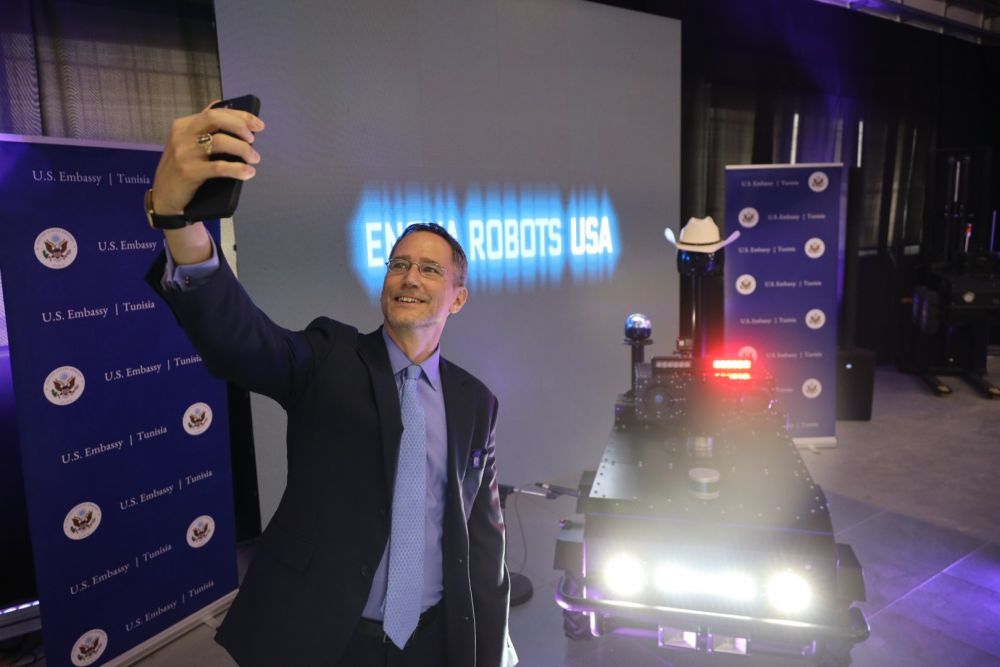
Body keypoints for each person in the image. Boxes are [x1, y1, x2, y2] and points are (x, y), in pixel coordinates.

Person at [144, 102, 517, 667]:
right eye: (398, 264)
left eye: (430, 269)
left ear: (458, 298)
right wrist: (180, 221)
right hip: (327, 641)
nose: (410, 277)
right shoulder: (329, 357)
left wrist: (487, 653)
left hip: (431, 642)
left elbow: (484, 548)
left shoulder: (475, 403)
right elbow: (241, 341)